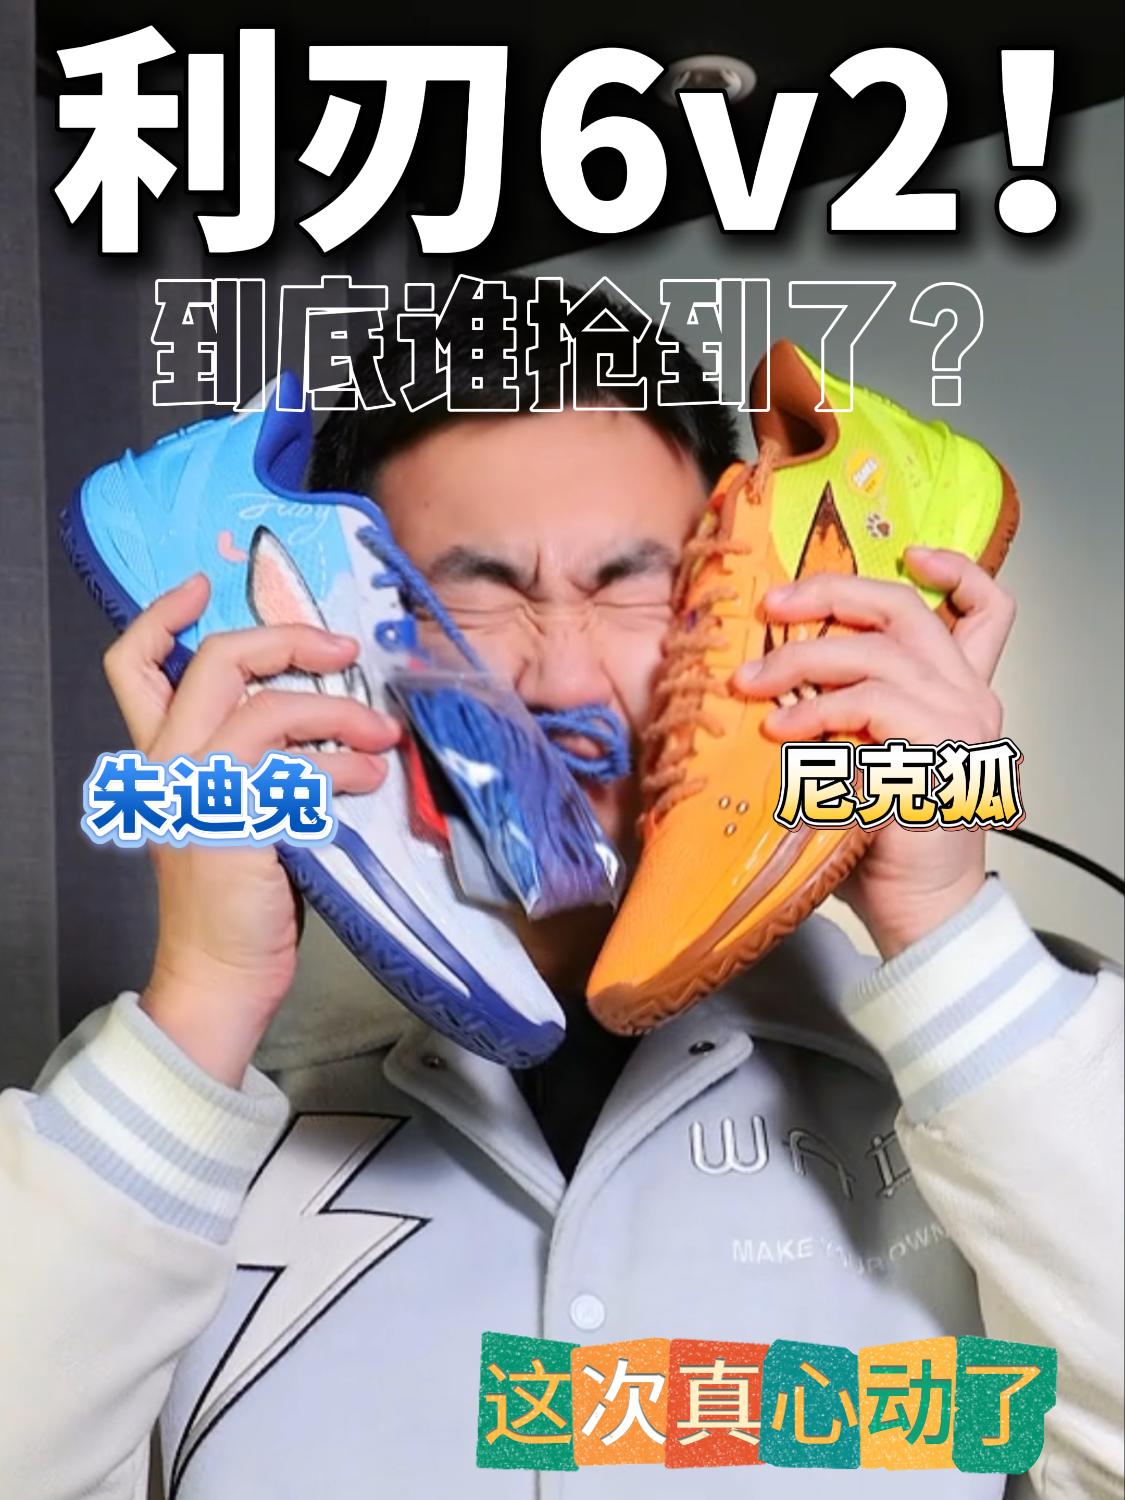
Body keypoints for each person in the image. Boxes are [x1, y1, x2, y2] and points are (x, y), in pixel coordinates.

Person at [0, 279, 1120, 1500]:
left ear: (752, 604)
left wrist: (943, 924)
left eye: (634, 583)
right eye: (471, 590)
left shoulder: (1001, 1085)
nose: (562, 678)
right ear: (330, 630)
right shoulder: (169, 1112)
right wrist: (208, 993)